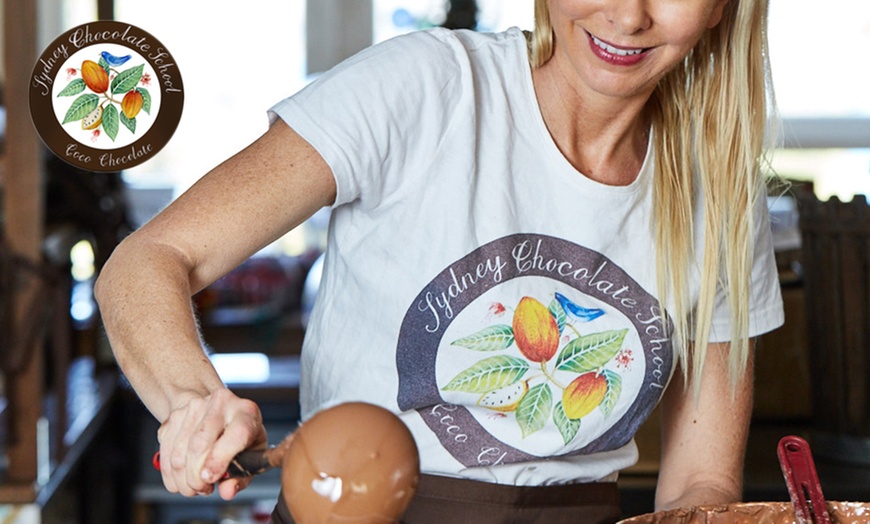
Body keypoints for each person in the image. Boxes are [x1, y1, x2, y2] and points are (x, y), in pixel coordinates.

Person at [94, 0, 784, 522]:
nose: (628, 16)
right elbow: (151, 258)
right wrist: (193, 401)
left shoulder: (719, 187)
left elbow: (702, 487)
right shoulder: (426, 89)